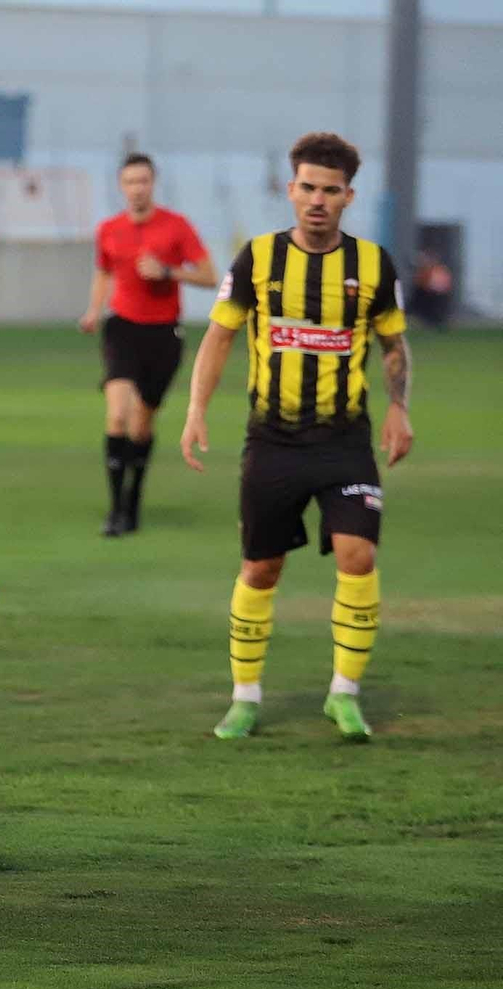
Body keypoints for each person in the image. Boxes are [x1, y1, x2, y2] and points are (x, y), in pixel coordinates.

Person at [179, 132, 413, 741]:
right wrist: (197, 409)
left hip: (345, 441)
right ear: (291, 190)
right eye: (307, 187)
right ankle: (245, 698)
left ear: (348, 197)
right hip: (273, 442)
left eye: (330, 190)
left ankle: (344, 694)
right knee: (261, 568)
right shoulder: (256, 259)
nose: (317, 200)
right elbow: (220, 336)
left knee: (359, 555)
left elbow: (393, 344)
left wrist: (399, 409)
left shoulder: (374, 265)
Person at [79, 153, 215, 536]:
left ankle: (133, 501)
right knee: (117, 416)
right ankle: (115, 510)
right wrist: (93, 311)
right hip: (122, 328)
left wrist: (168, 272)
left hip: (163, 334)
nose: (137, 188)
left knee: (141, 424)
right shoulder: (109, 229)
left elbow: (209, 275)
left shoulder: (176, 226)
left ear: (153, 183)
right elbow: (104, 272)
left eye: (143, 181)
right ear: (121, 186)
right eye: (130, 182)